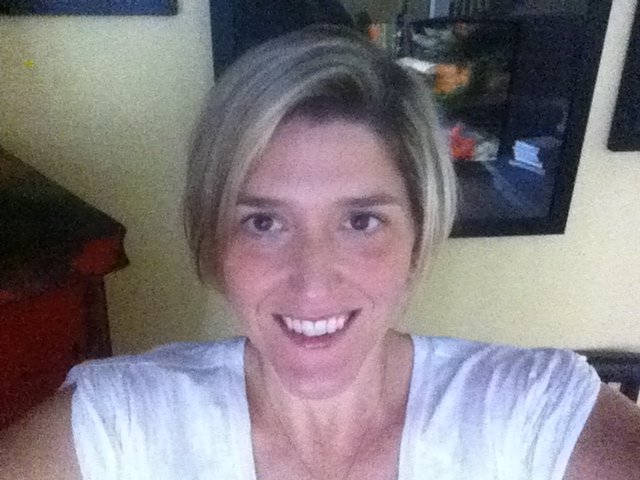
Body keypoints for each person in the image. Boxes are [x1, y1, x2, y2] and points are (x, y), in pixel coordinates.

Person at [1, 26, 640, 480]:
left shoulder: (532, 411)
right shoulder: (122, 426)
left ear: (418, 236)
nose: (311, 283)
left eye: (361, 221)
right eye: (263, 222)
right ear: (215, 241)